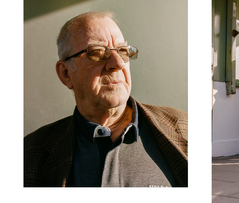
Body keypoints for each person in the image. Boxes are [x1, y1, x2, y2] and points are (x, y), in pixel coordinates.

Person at [24, 11, 188, 187]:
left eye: (123, 51)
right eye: (97, 52)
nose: (117, 63)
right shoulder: (29, 152)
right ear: (66, 73)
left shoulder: (184, 127)